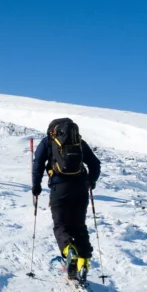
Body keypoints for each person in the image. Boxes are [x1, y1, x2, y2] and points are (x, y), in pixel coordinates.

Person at [31, 118, 101, 283]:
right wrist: (91, 181)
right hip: (81, 188)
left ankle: (70, 252)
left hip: (59, 188)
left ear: (53, 130)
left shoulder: (48, 141)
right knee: (79, 226)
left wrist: (36, 186)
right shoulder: (79, 142)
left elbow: (38, 164)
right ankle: (84, 260)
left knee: (61, 225)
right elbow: (95, 164)